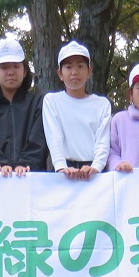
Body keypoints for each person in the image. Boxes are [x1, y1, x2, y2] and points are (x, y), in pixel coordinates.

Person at [0, 37, 49, 176]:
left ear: (25, 71)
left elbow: (40, 140)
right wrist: (0, 164)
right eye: (4, 67)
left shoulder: (39, 103)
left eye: (16, 66)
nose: (11, 72)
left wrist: (26, 163)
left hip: (32, 179)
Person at [42, 40, 110, 179]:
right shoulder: (52, 101)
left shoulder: (102, 104)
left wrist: (96, 167)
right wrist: (61, 167)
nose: (74, 72)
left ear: (89, 71)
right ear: (60, 73)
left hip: (94, 173)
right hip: (64, 170)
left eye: (80, 66)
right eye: (68, 67)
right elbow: (54, 136)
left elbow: (103, 140)